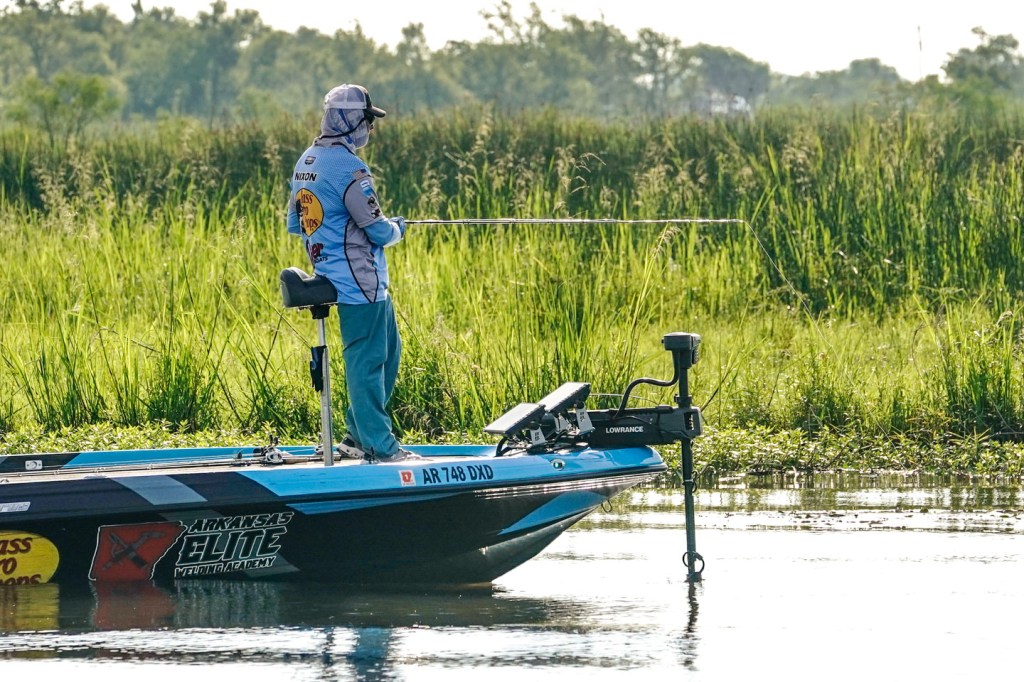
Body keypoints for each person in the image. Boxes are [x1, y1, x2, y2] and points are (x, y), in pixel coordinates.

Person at [286, 83, 418, 463]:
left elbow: (296, 224)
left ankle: (357, 437)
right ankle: (379, 445)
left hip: (334, 272)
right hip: (359, 281)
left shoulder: (306, 161)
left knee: (388, 353)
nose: (370, 128)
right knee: (368, 363)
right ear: (349, 121)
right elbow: (377, 230)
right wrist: (398, 228)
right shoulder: (349, 167)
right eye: (366, 120)